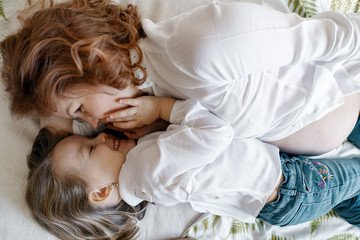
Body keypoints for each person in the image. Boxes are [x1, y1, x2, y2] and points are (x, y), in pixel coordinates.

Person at [3, 0, 360, 156]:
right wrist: (162, 118)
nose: (92, 124)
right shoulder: (150, 99)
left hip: (343, 99)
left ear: (96, 59)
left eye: (80, 109)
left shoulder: (204, 48)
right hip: (312, 144)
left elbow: (339, 38)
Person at [27, 95, 360, 240]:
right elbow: (216, 132)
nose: (99, 137)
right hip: (294, 187)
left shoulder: (144, 182)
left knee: (350, 196)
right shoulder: (147, 171)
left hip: (278, 191)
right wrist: (161, 107)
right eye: (88, 148)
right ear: (101, 192)